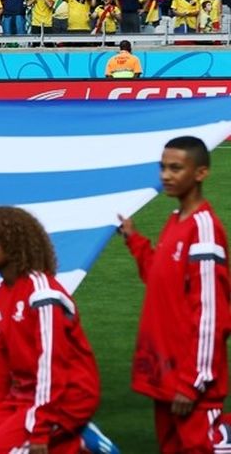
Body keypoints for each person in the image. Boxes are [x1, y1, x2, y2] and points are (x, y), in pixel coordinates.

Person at [117, 137, 231, 453]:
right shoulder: (175, 221)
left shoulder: (204, 229)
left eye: (176, 168)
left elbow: (212, 314)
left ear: (201, 173)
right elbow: (160, 278)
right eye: (163, 167)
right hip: (167, 380)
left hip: (192, 387)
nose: (166, 175)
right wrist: (134, 240)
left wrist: (192, 382)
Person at [0, 206, 102, 454]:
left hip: (68, 399)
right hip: (23, 400)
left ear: (14, 241)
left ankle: (80, 444)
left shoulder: (43, 294)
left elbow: (51, 363)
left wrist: (41, 428)